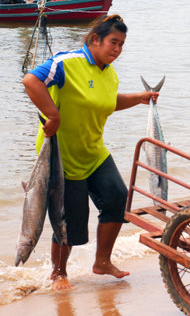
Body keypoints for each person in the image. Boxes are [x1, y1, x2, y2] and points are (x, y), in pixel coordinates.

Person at [22, 14, 159, 290]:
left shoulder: (109, 73)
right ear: (95, 39)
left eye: (121, 44)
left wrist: (138, 98)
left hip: (93, 151)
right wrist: (52, 114)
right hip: (61, 156)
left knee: (117, 198)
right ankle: (58, 273)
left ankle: (102, 261)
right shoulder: (67, 62)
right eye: (113, 42)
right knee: (70, 220)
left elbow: (106, 102)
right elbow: (30, 81)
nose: (117, 50)